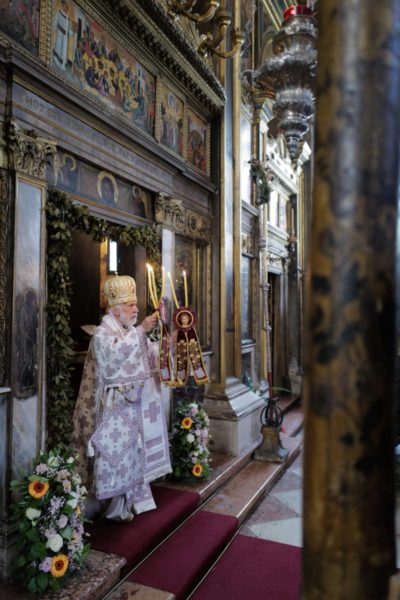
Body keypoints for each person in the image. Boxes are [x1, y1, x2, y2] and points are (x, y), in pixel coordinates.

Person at [71, 275, 172, 522]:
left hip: (129, 409)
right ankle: (112, 508)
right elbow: (114, 359)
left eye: (135, 304)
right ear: (116, 309)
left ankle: (128, 502)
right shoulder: (102, 334)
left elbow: (147, 357)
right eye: (130, 305)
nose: (136, 309)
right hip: (110, 411)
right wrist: (141, 331)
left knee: (130, 454)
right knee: (114, 456)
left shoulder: (128, 331)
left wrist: (166, 345)